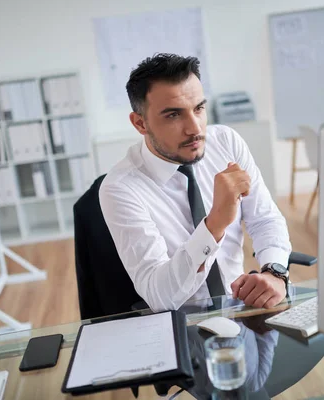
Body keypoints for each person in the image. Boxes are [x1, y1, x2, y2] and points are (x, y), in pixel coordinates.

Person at [99, 53, 292, 312]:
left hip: (243, 309)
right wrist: (214, 224)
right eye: (173, 115)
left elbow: (266, 219)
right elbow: (160, 296)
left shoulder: (225, 143)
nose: (195, 129)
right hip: (182, 324)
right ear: (140, 123)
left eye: (199, 108)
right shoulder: (121, 188)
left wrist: (275, 272)